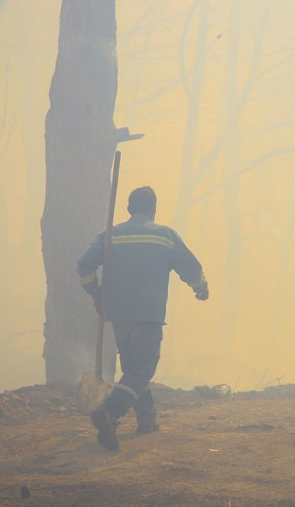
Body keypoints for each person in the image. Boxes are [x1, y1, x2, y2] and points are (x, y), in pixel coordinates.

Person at [77, 186, 208, 451]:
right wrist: (200, 287)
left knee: (133, 370)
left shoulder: (110, 235)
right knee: (141, 370)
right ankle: (110, 412)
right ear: (153, 209)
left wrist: (95, 291)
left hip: (118, 314)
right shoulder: (165, 236)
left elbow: (84, 265)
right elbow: (190, 267)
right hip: (148, 313)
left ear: (128, 210)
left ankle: (147, 420)